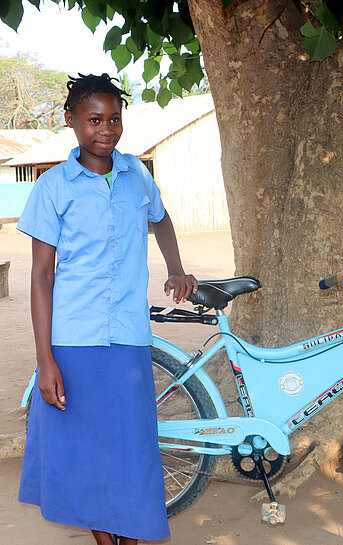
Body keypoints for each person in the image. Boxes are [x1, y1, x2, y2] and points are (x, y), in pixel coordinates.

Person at [17, 73, 196, 545]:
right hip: (73, 342)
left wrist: (176, 268)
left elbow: (161, 219)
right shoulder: (53, 186)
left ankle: (130, 537)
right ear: (71, 120)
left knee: (131, 450)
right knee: (87, 452)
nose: (106, 130)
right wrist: (45, 360)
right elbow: (41, 276)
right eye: (94, 119)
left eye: (114, 119)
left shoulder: (137, 173)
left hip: (128, 338)